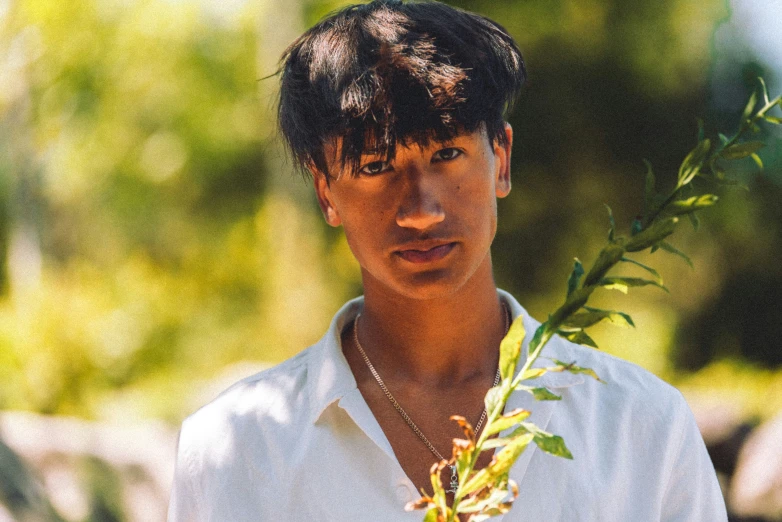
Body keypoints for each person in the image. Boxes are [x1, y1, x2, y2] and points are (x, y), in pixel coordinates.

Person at [167, 1, 728, 520]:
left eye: (448, 154)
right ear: (325, 193)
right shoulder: (234, 449)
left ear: (501, 160)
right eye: (374, 166)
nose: (419, 209)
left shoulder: (641, 428)